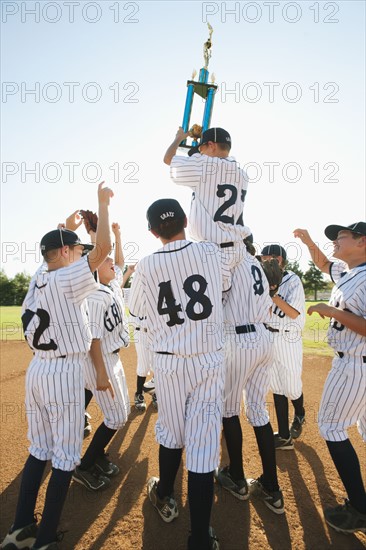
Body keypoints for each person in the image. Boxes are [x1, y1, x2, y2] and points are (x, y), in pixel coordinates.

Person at [1, 183, 113, 550]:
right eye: (76, 250)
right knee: (65, 457)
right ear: (64, 252)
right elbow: (104, 252)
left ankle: (20, 528)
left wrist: (67, 227)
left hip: (37, 372)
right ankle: (45, 539)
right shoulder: (67, 277)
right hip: (64, 373)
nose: (81, 255)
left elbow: (62, 254)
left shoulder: (38, 277)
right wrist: (103, 204)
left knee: (39, 450)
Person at [128, 198, 228, 550]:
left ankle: (165, 493)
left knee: (170, 430)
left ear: (153, 231)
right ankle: (200, 538)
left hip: (169, 362)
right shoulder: (211, 252)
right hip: (208, 359)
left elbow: (137, 308)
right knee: (201, 447)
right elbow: (225, 285)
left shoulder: (145, 265)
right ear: (185, 220)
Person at [215, 238, 285, 514]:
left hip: (239, 339)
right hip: (264, 338)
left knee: (229, 410)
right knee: (258, 411)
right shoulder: (257, 264)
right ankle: (271, 485)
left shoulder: (232, 262)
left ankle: (237, 476)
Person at [306, 222, 366, 534]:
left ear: (362, 242)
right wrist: (306, 240)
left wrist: (331, 312)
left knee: (331, 426)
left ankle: (359, 508)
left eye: (341, 237)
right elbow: (323, 263)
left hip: (355, 365)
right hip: (356, 363)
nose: (335, 241)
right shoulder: (349, 272)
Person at [72, 222, 131, 491]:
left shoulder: (112, 285)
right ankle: (84, 466)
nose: (113, 263)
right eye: (105, 260)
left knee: (121, 412)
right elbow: (93, 339)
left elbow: (118, 262)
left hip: (112, 357)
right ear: (96, 269)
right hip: (101, 359)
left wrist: (116, 236)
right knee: (117, 417)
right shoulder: (94, 295)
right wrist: (101, 373)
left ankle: (98, 456)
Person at [164, 127, 251, 283]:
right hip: (238, 251)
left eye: (202, 148)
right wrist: (198, 145)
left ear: (212, 145)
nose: (200, 152)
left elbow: (168, 159)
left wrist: (178, 138)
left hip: (213, 253)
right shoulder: (242, 174)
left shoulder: (204, 165)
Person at [260, 244, 306, 448]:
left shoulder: (293, 280)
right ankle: (285, 436)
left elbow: (293, 313)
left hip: (288, 338)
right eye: (264, 258)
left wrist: (273, 293)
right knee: (276, 387)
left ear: (280, 260)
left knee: (292, 386)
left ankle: (300, 413)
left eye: (270, 258)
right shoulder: (261, 282)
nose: (266, 262)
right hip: (270, 337)